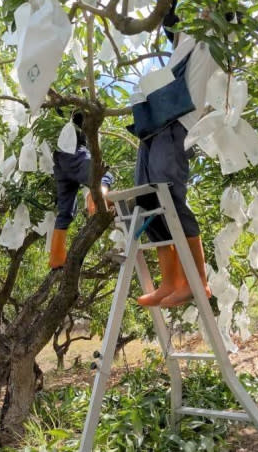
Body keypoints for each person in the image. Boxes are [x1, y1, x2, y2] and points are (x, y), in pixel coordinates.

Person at [127, 3, 227, 308]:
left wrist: (217, 15)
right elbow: (171, 18)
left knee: (169, 195)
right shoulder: (182, 43)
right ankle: (170, 281)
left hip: (179, 124)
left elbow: (229, 17)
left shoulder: (210, 37)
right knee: (147, 202)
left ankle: (199, 282)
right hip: (156, 126)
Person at [50, 111, 114, 268]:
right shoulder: (79, 111)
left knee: (65, 212)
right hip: (74, 151)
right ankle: (96, 204)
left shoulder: (61, 116)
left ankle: (56, 258)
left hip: (59, 159)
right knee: (103, 176)